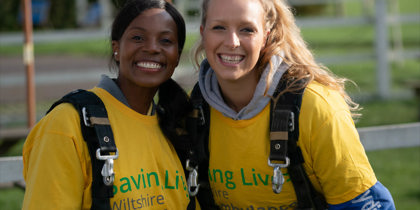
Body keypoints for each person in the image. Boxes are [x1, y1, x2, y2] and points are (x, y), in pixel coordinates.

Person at [190, 0, 395, 209]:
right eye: (219, 28)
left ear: (266, 36)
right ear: (203, 32)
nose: (232, 41)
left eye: (247, 30)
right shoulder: (191, 111)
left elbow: (361, 204)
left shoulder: (314, 106)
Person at [22, 0, 193, 209]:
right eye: (138, 38)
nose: (152, 48)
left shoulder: (177, 129)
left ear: (177, 56)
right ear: (117, 49)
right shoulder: (67, 125)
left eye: (166, 40)